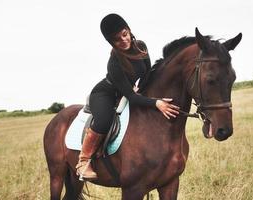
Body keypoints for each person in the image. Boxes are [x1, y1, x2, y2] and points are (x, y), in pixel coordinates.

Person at [76, 13, 180, 180]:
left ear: (129, 30)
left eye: (124, 34)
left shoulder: (141, 47)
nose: (123, 40)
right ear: (111, 43)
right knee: (104, 120)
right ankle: (83, 161)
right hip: (105, 94)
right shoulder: (114, 62)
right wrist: (157, 103)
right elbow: (131, 97)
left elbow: (148, 75)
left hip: (130, 92)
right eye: (117, 39)